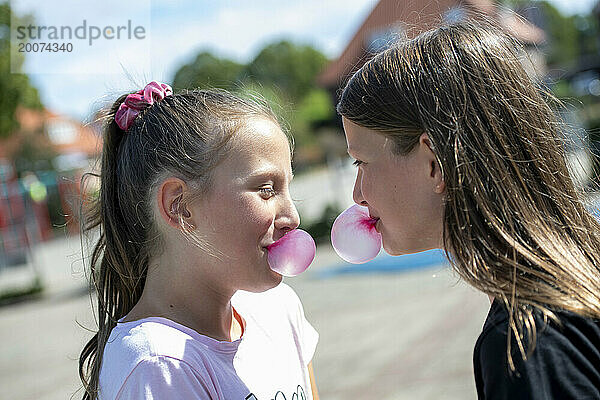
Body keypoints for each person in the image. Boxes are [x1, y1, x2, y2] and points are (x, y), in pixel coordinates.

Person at [336, 21, 600, 399]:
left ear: (435, 164)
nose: (357, 194)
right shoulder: (580, 264)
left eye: (360, 162)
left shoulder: (524, 342)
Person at [78, 82, 319, 399]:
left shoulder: (279, 307)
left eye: (287, 185)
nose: (292, 217)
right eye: (266, 189)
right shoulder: (159, 365)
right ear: (180, 205)